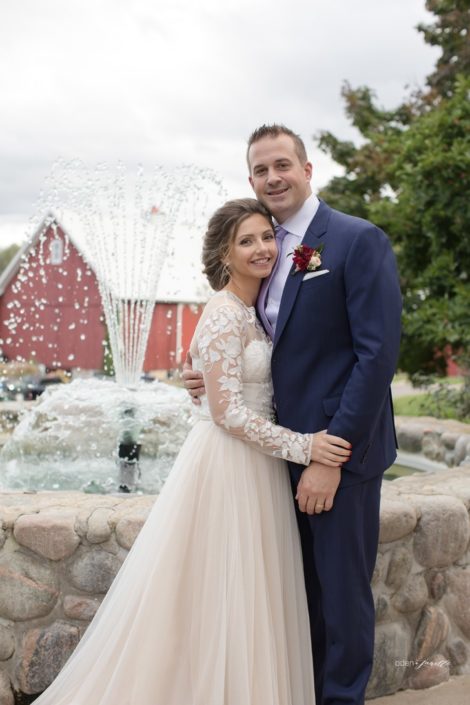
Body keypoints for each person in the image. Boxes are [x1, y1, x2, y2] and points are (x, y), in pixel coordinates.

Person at [30, 198, 352, 705]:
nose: (262, 248)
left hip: (257, 467)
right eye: (246, 241)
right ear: (225, 254)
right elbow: (227, 414)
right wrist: (305, 446)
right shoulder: (224, 314)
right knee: (218, 593)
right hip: (228, 466)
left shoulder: (256, 309)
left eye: (266, 237)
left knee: (250, 595)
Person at [183, 125, 402, 705]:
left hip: (335, 455)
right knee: (296, 596)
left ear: (308, 170)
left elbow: (376, 356)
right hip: (273, 454)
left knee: (341, 593)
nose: (273, 177)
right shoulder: (270, 251)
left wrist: (331, 455)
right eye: (261, 170)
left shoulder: (357, 241)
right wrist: (207, 374)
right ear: (251, 179)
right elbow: (259, 343)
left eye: (283, 165)